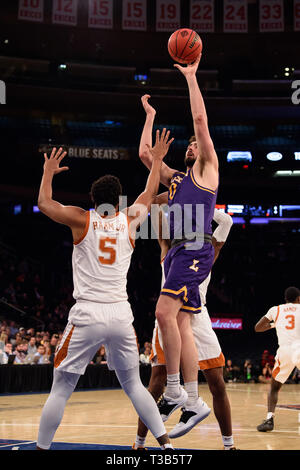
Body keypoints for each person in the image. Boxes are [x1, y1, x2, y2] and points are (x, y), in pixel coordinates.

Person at [35, 130, 175, 450]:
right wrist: (155, 160)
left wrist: (46, 174)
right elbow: (150, 191)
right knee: (134, 386)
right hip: (120, 313)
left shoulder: (81, 219)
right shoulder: (129, 220)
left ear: (93, 198)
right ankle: (166, 445)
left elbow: (44, 203)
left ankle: (41, 449)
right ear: (119, 198)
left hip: (88, 312)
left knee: (61, 388)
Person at [138, 53, 219, 432]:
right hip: (176, 254)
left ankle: (173, 389)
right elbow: (144, 155)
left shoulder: (207, 169)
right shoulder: (175, 181)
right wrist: (150, 118)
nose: (191, 147)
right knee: (181, 326)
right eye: (187, 146)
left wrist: (190, 77)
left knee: (162, 314)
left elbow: (200, 120)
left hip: (194, 248)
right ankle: (192, 399)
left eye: (194, 145)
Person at [133, 206, 236, 450]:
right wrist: (165, 200)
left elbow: (227, 221)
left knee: (217, 382)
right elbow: (159, 218)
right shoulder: (169, 249)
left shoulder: (207, 250)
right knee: (157, 381)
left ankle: (229, 444)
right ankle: (139, 443)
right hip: (169, 318)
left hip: (198, 316)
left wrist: (199, 203)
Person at [255, 286, 300, 432]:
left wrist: (274, 324)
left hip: (285, 351)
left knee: (274, 387)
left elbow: (258, 327)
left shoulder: (276, 309)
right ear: (298, 299)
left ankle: (269, 419)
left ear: (285, 299)